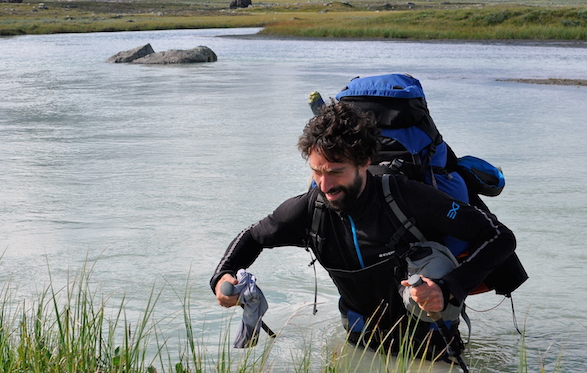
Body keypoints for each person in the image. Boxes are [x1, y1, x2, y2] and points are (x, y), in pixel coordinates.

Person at [210, 101, 517, 360]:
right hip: (360, 347)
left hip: (432, 349)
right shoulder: (308, 210)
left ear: (364, 162)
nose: (325, 186)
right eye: (316, 172)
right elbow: (252, 236)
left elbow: (499, 237)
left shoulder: (408, 198)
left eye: (335, 172)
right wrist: (221, 277)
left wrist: (448, 288)